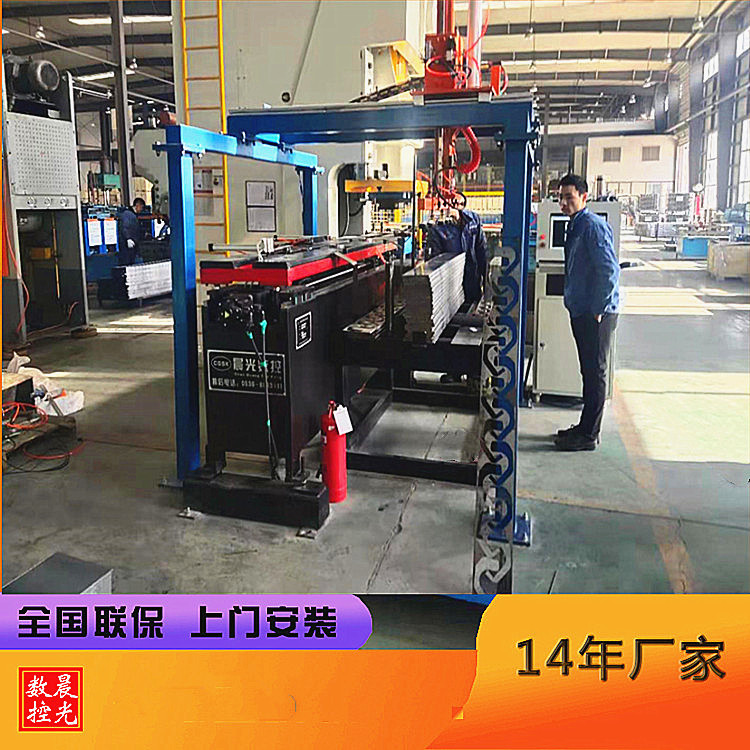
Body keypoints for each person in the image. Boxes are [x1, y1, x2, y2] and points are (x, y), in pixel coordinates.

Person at [554, 174, 620, 452]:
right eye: (560, 197)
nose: (564, 203)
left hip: (596, 313)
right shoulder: (576, 225)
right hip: (582, 310)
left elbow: (609, 270)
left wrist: (598, 309)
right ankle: (584, 427)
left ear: (584, 196)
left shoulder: (592, 226)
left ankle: (589, 435)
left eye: (569, 197)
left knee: (595, 373)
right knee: (588, 372)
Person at [428, 208, 487, 385]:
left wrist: (486, 280)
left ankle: (474, 373)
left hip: (472, 281)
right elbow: (434, 261)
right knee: (451, 327)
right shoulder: (438, 227)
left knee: (473, 327)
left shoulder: (473, 220)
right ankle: (453, 371)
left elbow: (481, 249)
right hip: (450, 286)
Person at [118, 197, 147, 265]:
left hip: (132, 244)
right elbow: (125, 227)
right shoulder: (128, 214)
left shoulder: (132, 215)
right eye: (141, 207)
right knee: (127, 261)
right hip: (127, 245)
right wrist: (128, 238)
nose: (141, 210)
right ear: (137, 205)